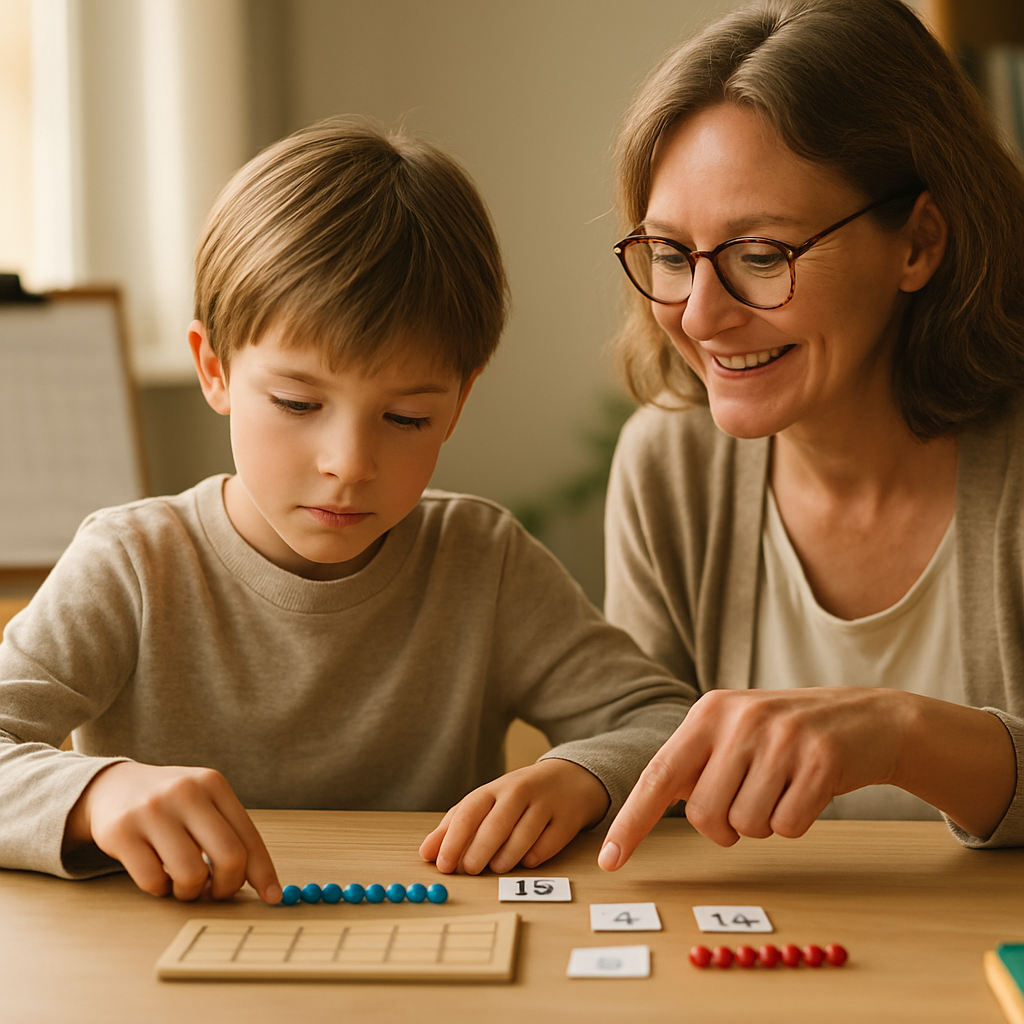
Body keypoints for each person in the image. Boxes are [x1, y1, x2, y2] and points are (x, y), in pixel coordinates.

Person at [0, 120, 693, 903]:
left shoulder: (482, 559)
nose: (350, 464)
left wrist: (582, 776)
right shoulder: (133, 563)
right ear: (213, 369)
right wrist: (97, 795)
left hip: (433, 951)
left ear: (459, 400)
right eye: (297, 403)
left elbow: (665, 720)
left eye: (405, 419)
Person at [594, 0, 1024, 875]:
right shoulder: (669, 465)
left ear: (919, 242)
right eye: (672, 254)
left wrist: (905, 736)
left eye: (761, 254)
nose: (702, 316)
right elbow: (635, 751)